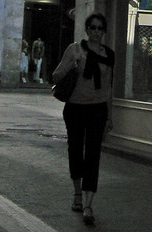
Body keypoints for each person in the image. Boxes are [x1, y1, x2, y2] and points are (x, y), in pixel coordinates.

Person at [52, 12, 114, 227]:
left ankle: (88, 205)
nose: (96, 31)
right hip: (75, 109)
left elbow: (108, 88)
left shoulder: (109, 55)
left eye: (100, 28)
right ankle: (77, 193)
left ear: (104, 32)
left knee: (94, 155)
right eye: (93, 27)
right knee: (76, 150)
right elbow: (56, 76)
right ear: (87, 30)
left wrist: (110, 116)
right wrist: (73, 66)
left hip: (97, 110)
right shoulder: (75, 49)